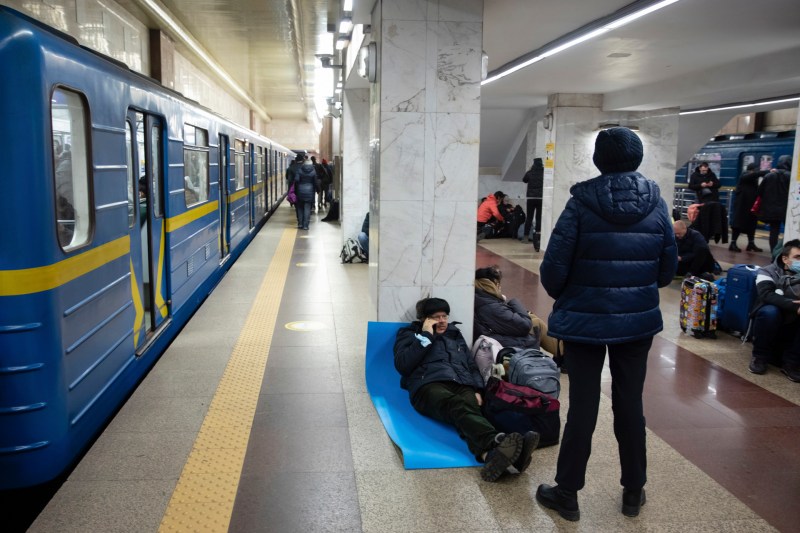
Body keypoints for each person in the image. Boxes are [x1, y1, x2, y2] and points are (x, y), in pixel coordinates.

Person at [537, 127, 677, 521]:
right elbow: (667, 271)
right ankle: (633, 490)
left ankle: (567, 493)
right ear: (637, 158)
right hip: (637, 323)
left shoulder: (580, 204)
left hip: (584, 322)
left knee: (583, 405)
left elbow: (553, 272)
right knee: (630, 403)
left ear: (598, 160)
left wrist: (574, 295)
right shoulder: (656, 204)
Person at [393, 297, 539, 481]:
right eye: (436, 317)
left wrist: (477, 388)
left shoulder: (454, 333)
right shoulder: (409, 334)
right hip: (428, 385)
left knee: (471, 411)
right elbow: (403, 365)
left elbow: (470, 364)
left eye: (444, 316)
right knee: (458, 405)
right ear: (424, 319)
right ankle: (497, 443)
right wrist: (426, 336)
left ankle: (491, 455)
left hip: (462, 383)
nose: (442, 321)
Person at [748, 239, 800, 382]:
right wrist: (795, 306)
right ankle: (759, 357)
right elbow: (766, 295)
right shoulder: (768, 271)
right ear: (785, 259)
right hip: (773, 317)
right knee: (770, 312)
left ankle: (792, 363)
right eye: (797, 257)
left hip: (794, 323)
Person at [473, 265, 539, 349]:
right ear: (494, 285)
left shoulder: (481, 299)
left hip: (496, 337)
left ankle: (556, 349)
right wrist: (514, 302)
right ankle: (556, 350)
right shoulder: (491, 306)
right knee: (536, 323)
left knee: (532, 318)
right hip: (502, 344)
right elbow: (525, 325)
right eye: (498, 284)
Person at [757, 155, 792, 252]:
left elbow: (759, 191)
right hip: (787, 209)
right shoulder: (791, 176)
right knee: (790, 230)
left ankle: (774, 252)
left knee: (774, 231)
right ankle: (789, 251)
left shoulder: (769, 176)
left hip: (771, 209)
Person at [729, 163, 766, 252]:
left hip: (751, 206)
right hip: (741, 206)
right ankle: (733, 243)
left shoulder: (753, 179)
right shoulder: (744, 176)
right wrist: (766, 172)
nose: (757, 171)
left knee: (752, 224)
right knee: (738, 224)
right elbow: (753, 175)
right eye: (756, 170)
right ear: (751, 170)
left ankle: (751, 244)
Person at [523, 158, 544, 251]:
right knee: (539, 218)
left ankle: (526, 237)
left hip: (531, 198)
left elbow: (524, 180)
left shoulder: (530, 172)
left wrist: (530, 170)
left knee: (529, 218)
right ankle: (538, 236)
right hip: (540, 198)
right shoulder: (544, 172)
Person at [292, 156, 320, 230]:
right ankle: (305, 226)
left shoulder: (299, 170)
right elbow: (316, 182)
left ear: (304, 164)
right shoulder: (313, 171)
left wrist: (295, 190)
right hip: (310, 192)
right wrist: (318, 190)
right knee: (307, 208)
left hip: (300, 191)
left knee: (300, 208)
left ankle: (300, 224)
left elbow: (296, 180)